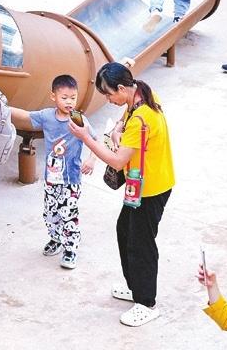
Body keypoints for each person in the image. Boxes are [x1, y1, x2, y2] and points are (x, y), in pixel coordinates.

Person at [69, 62, 174, 328]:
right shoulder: (142, 94)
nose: (109, 100)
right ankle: (136, 287)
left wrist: (86, 137)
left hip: (150, 190)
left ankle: (147, 302)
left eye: (109, 95)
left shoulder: (140, 118)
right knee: (125, 231)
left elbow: (117, 161)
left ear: (121, 88)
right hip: (143, 186)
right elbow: (123, 123)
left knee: (141, 244)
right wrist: (117, 130)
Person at [10, 74, 96, 270]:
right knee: (51, 212)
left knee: (68, 214)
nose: (69, 102)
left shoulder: (78, 119)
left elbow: (95, 139)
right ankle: (56, 238)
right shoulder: (47, 116)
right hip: (51, 177)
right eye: (64, 97)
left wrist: (91, 159)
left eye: (73, 97)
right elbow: (25, 116)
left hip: (71, 179)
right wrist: (2, 108)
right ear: (53, 96)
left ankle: (70, 249)